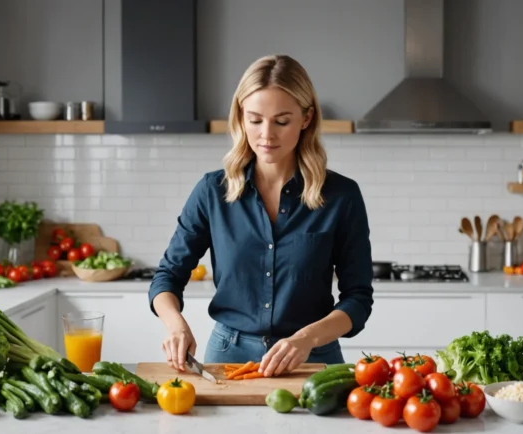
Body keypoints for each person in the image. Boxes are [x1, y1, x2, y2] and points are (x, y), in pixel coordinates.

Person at [148, 54, 374, 377]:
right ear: (241, 117)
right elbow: (166, 278)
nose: (266, 135)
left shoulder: (341, 196)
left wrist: (306, 338)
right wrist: (175, 326)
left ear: (306, 118)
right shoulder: (212, 191)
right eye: (255, 120)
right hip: (228, 359)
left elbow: (358, 300)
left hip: (312, 358)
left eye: (281, 121)